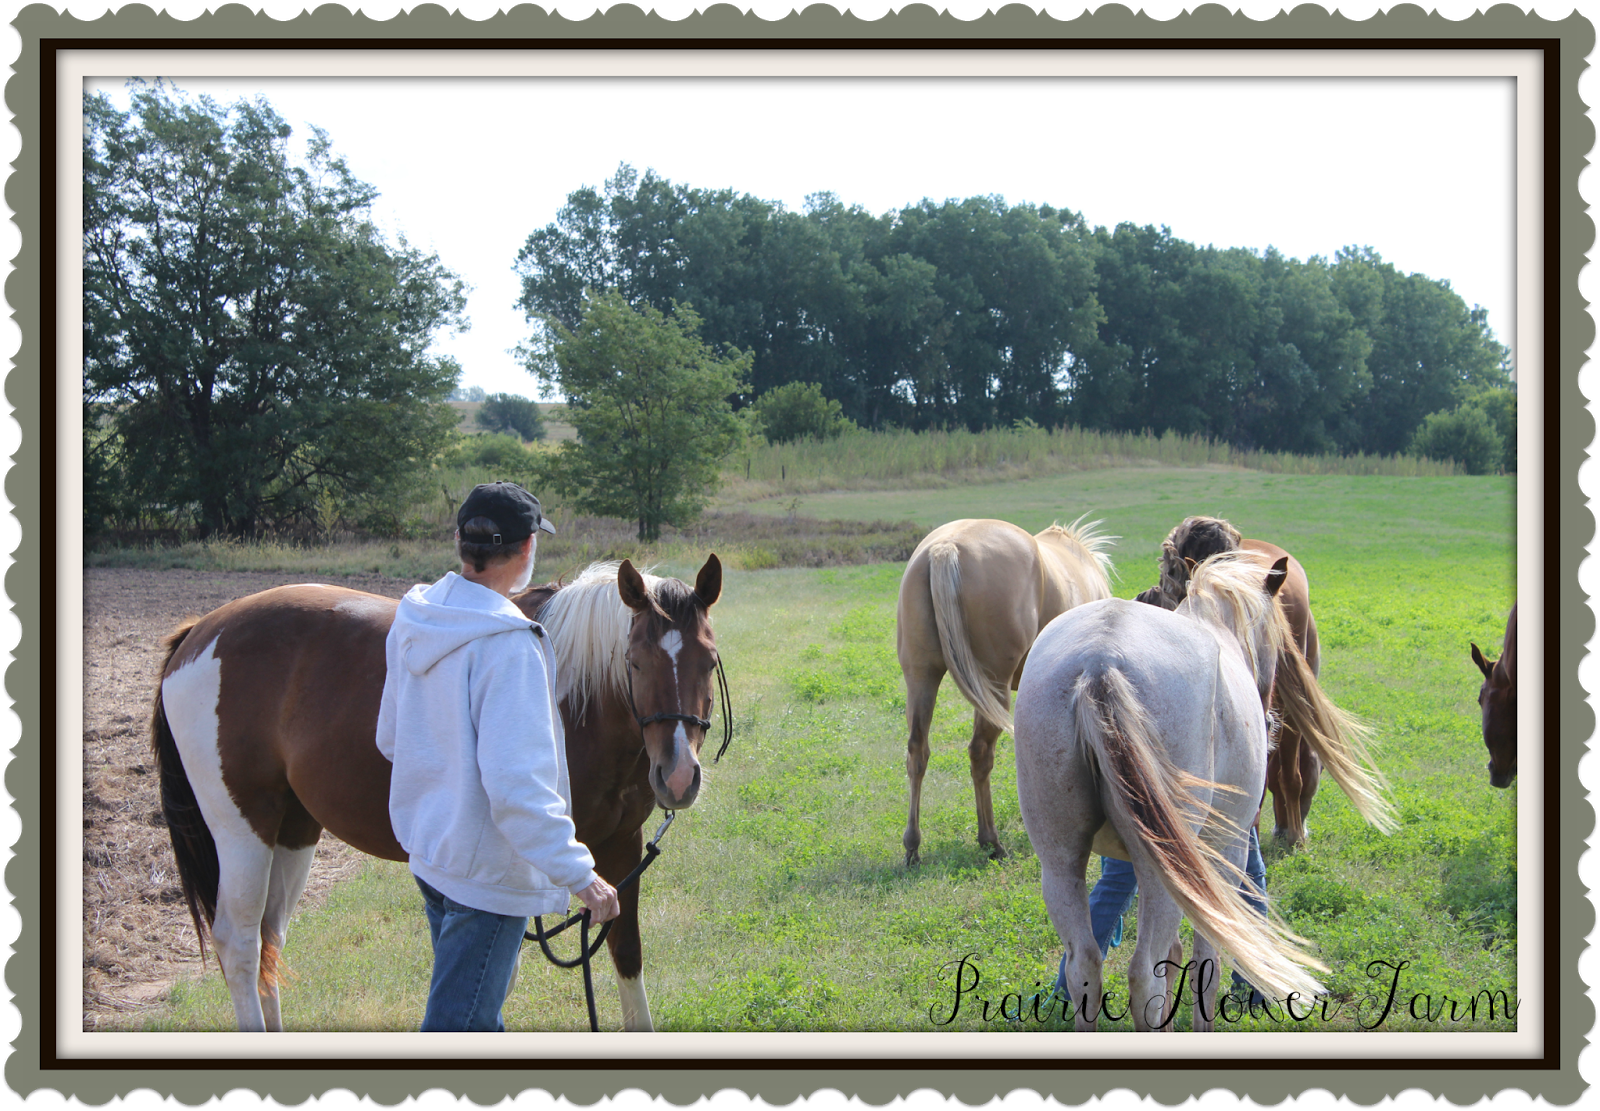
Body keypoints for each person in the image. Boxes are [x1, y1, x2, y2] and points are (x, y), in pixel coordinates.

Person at [377, 481, 620, 1031]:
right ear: (527, 547)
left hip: (432, 857)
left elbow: (392, 738)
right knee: (459, 1029)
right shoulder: (510, 644)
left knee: (477, 1019)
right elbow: (517, 788)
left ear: (460, 542)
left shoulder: (416, 616)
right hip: (484, 876)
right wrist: (582, 876)